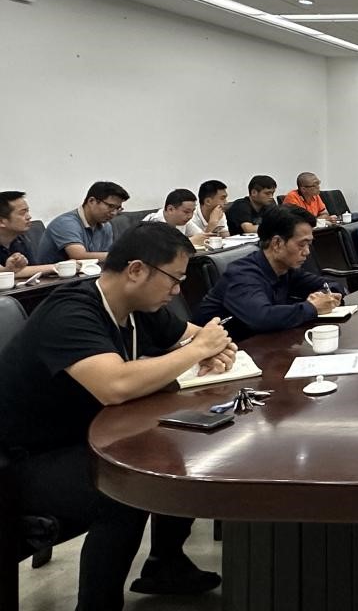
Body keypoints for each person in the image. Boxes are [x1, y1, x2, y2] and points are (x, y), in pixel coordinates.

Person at [0, 222, 233, 609]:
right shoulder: (70, 311)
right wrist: (198, 350)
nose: (177, 291)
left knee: (181, 450)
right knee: (124, 490)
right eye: (174, 279)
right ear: (137, 270)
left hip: (86, 434)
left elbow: (194, 335)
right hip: (23, 458)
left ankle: (165, 564)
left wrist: (215, 347)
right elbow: (115, 385)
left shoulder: (139, 307)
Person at [192, 205, 342, 339]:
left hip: (261, 345)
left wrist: (325, 297)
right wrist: (313, 307)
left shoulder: (286, 269)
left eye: (309, 244)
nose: (307, 252)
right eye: (302, 245)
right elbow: (262, 318)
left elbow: (331, 285)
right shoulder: (242, 274)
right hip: (218, 352)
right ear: (277, 243)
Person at [37, 181, 129, 263]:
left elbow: (105, 258)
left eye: (118, 208)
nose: (114, 213)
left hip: (88, 274)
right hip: (53, 276)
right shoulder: (66, 223)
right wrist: (121, 256)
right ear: (91, 201)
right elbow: (79, 256)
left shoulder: (106, 226)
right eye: (110, 206)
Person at [0, 191, 56, 279]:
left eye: (27, 211)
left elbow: (32, 269)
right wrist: (57, 267)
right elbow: (5, 273)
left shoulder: (21, 239)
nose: (29, 217)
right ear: (1, 222)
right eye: (22, 213)